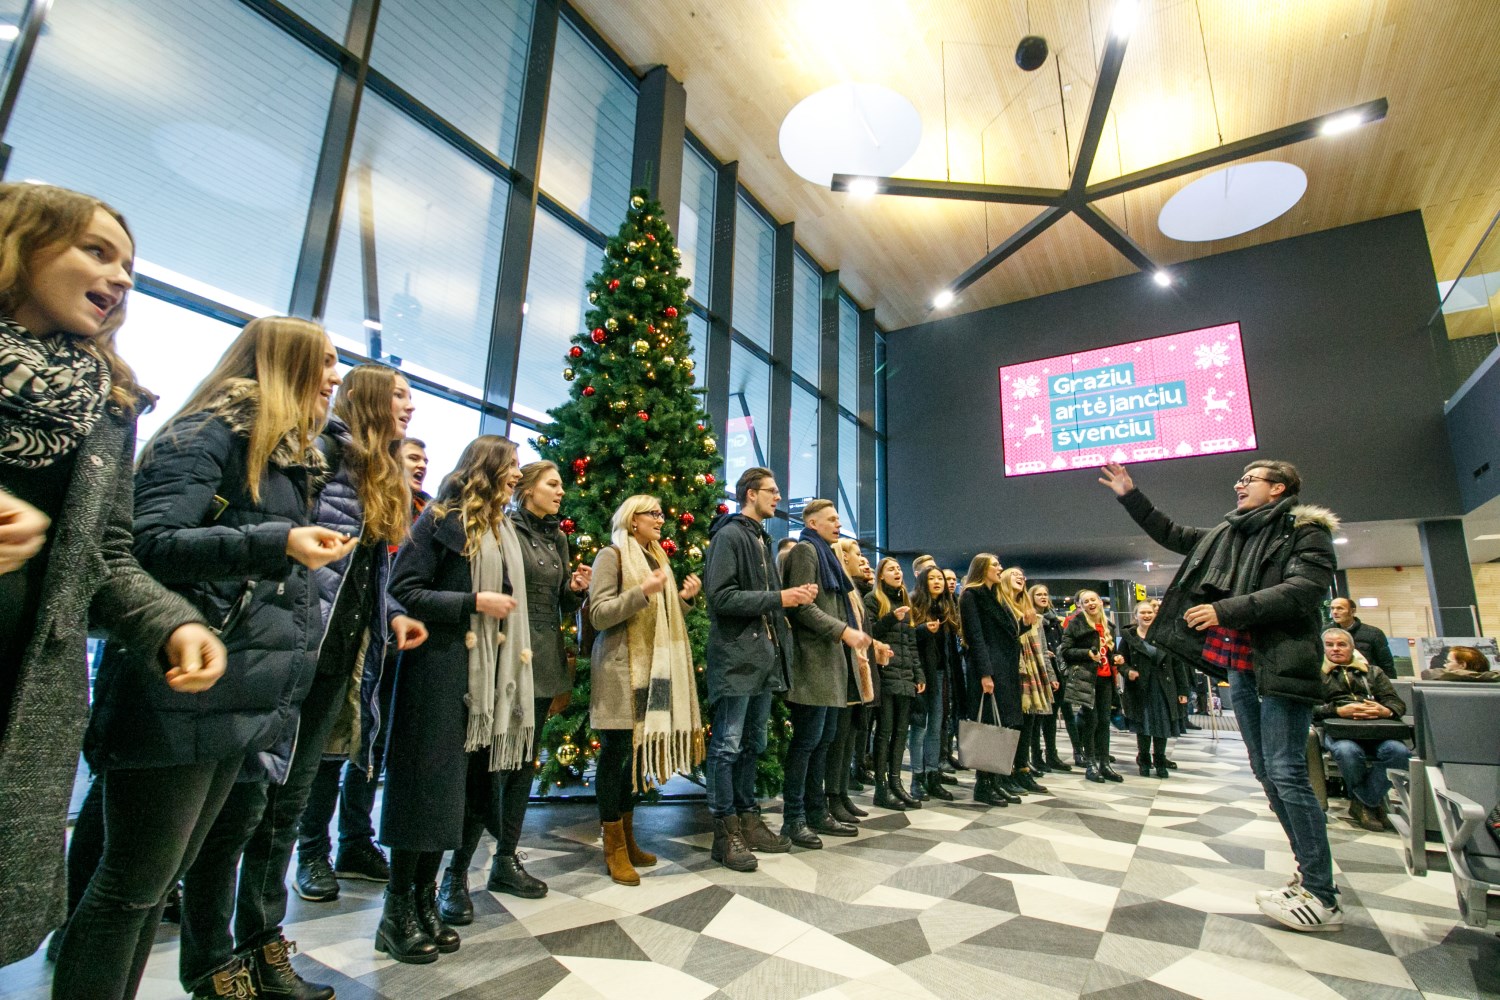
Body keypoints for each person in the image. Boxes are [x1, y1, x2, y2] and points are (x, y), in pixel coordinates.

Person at [54, 318, 355, 999]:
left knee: (156, 882)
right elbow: (145, 543)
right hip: (177, 690)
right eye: (326, 361)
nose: (336, 376)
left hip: (233, 693)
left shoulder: (282, 456)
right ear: (284, 362)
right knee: (129, 891)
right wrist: (276, 540)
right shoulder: (207, 434)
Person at [0, 182, 224, 969]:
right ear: (20, 246)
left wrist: (172, 622)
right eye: (96, 251)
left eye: (128, 263)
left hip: (24, 700)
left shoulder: (106, 402)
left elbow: (107, 555)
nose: (121, 276)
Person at [176, 363, 424, 1000]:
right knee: (238, 816)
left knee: (279, 813)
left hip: (334, 665)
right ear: (368, 399)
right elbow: (288, 559)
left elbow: (361, 576)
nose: (410, 409)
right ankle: (213, 962)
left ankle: (263, 946)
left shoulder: (378, 472)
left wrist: (391, 615)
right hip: (284, 659)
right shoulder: (316, 456)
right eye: (399, 395)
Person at [1099, 459, 1343, 932]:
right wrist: (1131, 495)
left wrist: (1224, 609)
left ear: (1278, 488)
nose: (1239, 484)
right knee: (1267, 772)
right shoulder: (1229, 534)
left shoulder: (1304, 532)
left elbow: (1302, 591)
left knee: (1289, 773)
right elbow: (1172, 533)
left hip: (1282, 666)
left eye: (1249, 479)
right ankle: (1308, 874)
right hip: (1245, 668)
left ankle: (1322, 893)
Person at [381, 435, 526, 963]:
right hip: (435, 672)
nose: (517, 474)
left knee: (452, 798)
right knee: (424, 793)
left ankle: (424, 902)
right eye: (511, 466)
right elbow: (405, 589)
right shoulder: (442, 518)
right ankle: (396, 911)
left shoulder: (501, 529)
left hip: (480, 681)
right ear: (487, 467)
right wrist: (472, 601)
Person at [437, 460, 590, 921]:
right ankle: (455, 874)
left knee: (523, 761)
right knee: (486, 767)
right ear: (526, 488)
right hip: (504, 655)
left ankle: (505, 859)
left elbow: (557, 595)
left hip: (541, 659)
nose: (562, 491)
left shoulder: (557, 536)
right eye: (553, 484)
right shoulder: (504, 528)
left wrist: (574, 589)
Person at [586, 494, 702, 881]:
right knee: (616, 754)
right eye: (653, 513)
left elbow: (662, 617)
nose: (661, 519)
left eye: (661, 513)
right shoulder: (612, 555)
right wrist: (644, 592)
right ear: (632, 519)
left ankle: (628, 839)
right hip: (621, 672)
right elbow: (599, 614)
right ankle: (613, 846)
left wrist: (682, 600)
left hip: (652, 673)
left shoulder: (657, 558)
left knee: (633, 760)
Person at [703, 467, 813, 870]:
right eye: (772, 490)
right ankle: (724, 831)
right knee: (727, 746)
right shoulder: (730, 535)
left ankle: (748, 820)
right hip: (735, 659)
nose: (779, 497)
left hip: (761, 659)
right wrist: (778, 597)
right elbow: (721, 597)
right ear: (751, 494)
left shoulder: (759, 538)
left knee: (754, 744)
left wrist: (784, 599)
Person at [779, 499, 871, 846]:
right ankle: (794, 818)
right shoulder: (806, 551)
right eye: (832, 519)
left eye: (838, 518)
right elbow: (803, 607)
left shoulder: (827, 554)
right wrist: (842, 631)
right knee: (806, 744)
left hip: (832, 663)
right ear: (813, 523)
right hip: (812, 662)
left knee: (824, 741)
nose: (838, 524)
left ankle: (817, 811)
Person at [1314, 628, 1411, 832]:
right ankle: (1371, 803)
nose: (1336, 649)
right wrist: (1338, 710)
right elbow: (1310, 709)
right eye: (1330, 645)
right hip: (1340, 731)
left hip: (1378, 729)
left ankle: (1363, 802)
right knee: (1348, 752)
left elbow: (1397, 703)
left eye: (1342, 644)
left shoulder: (1373, 673)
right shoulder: (1316, 674)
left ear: (1352, 647)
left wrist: (1385, 710)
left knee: (1399, 752)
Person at [957, 554, 1022, 807]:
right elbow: (976, 636)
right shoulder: (971, 595)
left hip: (1004, 668)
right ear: (982, 569)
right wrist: (985, 673)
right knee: (988, 725)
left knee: (1002, 724)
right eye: (995, 565)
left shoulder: (995, 595)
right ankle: (983, 784)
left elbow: (1007, 632)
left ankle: (995, 781)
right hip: (989, 669)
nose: (1000, 568)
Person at [866, 557, 927, 810]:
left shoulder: (906, 602)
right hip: (885, 673)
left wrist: (918, 673)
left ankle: (896, 782)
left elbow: (911, 644)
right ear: (881, 575)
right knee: (884, 732)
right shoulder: (873, 601)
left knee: (902, 731)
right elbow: (869, 634)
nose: (897, 572)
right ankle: (881, 787)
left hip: (905, 676)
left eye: (899, 569)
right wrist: (891, 617)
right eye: (891, 569)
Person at [832, 537, 883, 817]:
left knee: (850, 737)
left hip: (859, 672)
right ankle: (834, 797)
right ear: (844, 557)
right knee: (839, 741)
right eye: (857, 554)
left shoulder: (853, 592)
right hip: (846, 673)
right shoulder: (843, 591)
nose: (862, 560)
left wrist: (877, 648)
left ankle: (841, 794)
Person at [1060, 589, 1124, 784]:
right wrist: (1087, 653)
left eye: (1093, 600)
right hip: (1086, 679)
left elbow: (1108, 653)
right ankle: (1090, 763)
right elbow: (1066, 651)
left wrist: (1116, 658)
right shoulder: (1075, 624)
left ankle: (1104, 763)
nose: (1090, 603)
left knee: (1104, 721)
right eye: (1085, 601)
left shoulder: (1108, 626)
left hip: (1105, 679)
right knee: (1091, 720)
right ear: (1080, 605)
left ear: (1100, 602)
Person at [1120, 600, 1187, 778]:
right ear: (1135, 616)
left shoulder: (1165, 635)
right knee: (1143, 725)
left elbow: (1177, 665)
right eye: (1142, 613)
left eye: (1150, 612)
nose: (1147, 616)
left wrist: (1183, 691)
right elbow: (1120, 660)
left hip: (1164, 687)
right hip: (1140, 688)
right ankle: (1143, 760)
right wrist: (1127, 671)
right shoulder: (1129, 637)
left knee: (1162, 726)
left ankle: (1160, 760)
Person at [999, 567, 1051, 793]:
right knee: (1012, 722)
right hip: (1011, 668)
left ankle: (1023, 768)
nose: (1020, 577)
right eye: (1014, 575)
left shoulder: (1030, 610)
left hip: (1032, 668)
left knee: (1028, 722)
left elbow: (1043, 646)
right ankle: (1006, 770)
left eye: (1022, 576)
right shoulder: (1001, 606)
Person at [911, 566, 959, 801]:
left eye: (940, 578)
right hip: (920, 674)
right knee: (919, 727)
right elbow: (906, 640)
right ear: (923, 581)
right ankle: (916, 778)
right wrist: (922, 630)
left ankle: (932, 775)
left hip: (941, 673)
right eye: (932, 578)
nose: (938, 582)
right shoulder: (914, 605)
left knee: (936, 727)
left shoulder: (947, 608)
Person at [1028, 583, 1074, 772]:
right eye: (1038, 594)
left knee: (1053, 715)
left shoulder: (1054, 621)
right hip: (1038, 670)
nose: (1043, 597)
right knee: (1037, 717)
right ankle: (1036, 756)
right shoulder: (1031, 619)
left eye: (1045, 594)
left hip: (1055, 670)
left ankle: (1051, 754)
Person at [1327, 597, 1395, 676]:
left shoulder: (1374, 633)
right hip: (1333, 681)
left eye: (1340, 608)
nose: (1334, 612)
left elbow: (1386, 664)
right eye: (1332, 608)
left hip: (1366, 681)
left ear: (1352, 611)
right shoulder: (1325, 632)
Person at [1420, 644, 1499, 681]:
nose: (1444, 664)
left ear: (1462, 665)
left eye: (1448, 661)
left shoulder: (1438, 679)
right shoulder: (1494, 680)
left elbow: (1427, 673)